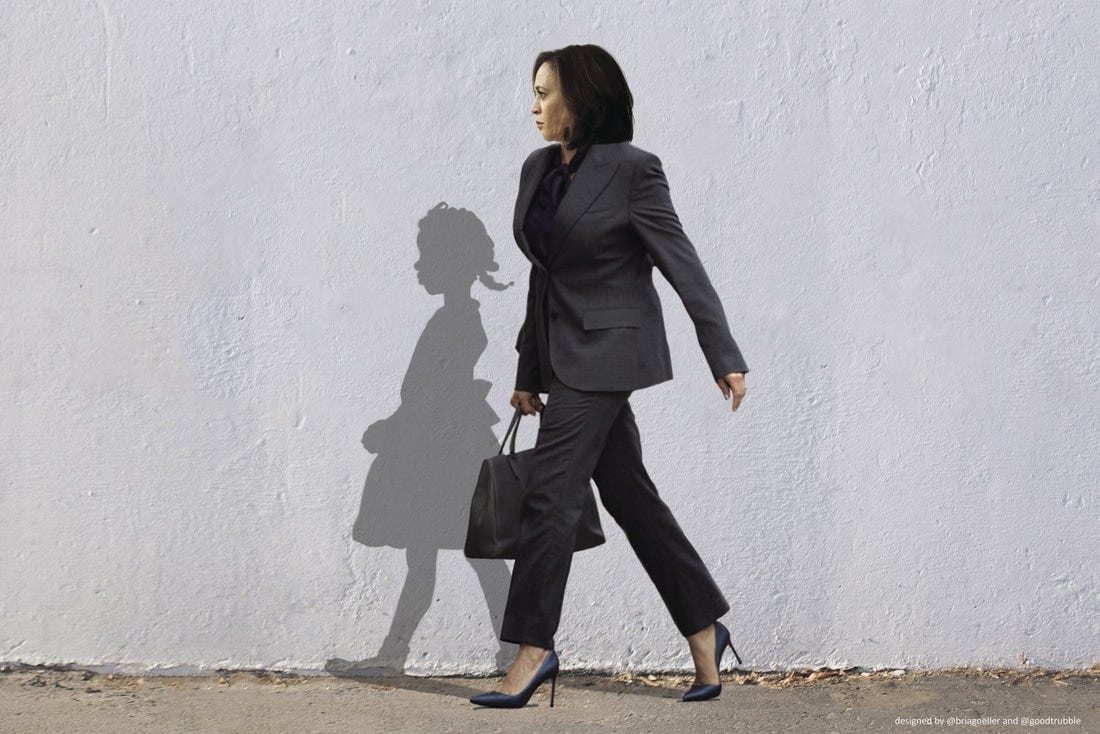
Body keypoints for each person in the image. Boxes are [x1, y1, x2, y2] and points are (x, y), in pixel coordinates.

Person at [470, 44, 750, 709]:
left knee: (549, 499)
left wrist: (724, 354)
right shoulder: (538, 167)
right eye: (532, 92)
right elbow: (546, 272)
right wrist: (527, 369)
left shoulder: (633, 171)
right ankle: (705, 627)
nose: (534, 106)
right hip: (561, 356)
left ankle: (533, 651)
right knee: (633, 502)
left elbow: (681, 262)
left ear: (583, 98)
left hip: (608, 357)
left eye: (546, 92)